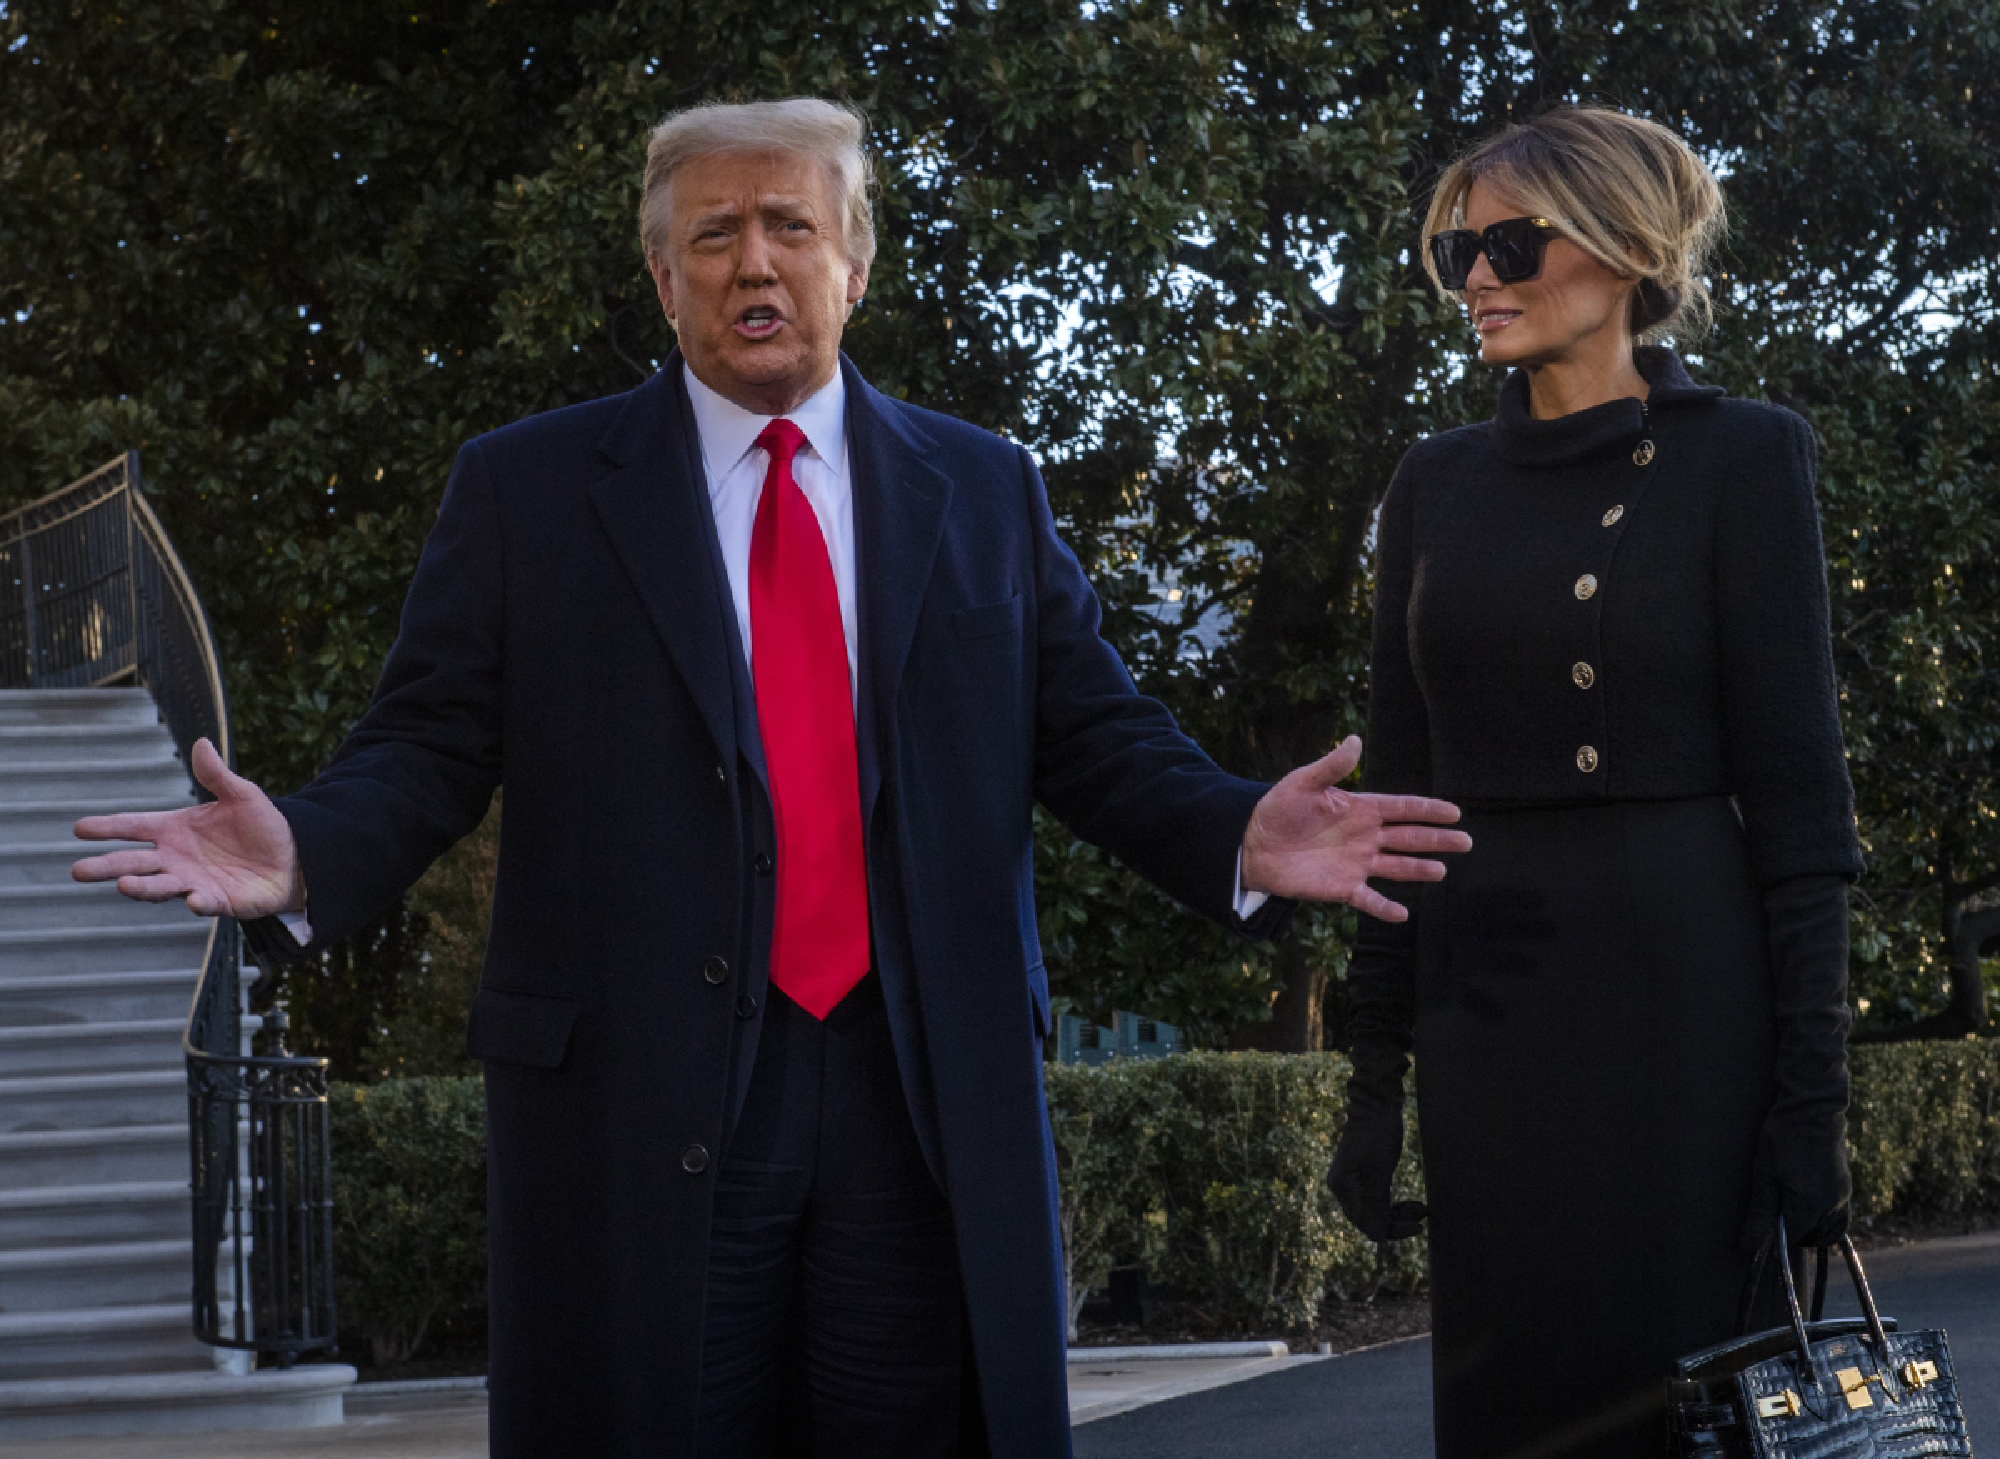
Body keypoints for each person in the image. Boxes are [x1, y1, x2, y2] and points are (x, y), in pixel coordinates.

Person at [73, 98, 1471, 1459]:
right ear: (662, 276)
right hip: (641, 1088)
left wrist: (1238, 829)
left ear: (853, 264)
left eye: (791, 226)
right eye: (715, 232)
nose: (755, 260)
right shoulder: (531, 489)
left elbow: (1095, 735)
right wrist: (307, 851)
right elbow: (428, 743)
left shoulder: (982, 486)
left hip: (918, 1092)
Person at [1327, 104, 1862, 1458]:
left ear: (1626, 251)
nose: (1479, 278)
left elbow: (1802, 815)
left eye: (1514, 241)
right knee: (1514, 1398)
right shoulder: (1435, 482)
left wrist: (1813, 1107)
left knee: (1687, 1402)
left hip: (1680, 1003)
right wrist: (1374, 1072)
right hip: (1486, 1004)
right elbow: (1395, 793)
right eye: (1458, 250)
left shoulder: (1741, 455)